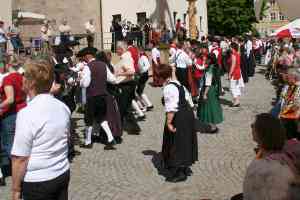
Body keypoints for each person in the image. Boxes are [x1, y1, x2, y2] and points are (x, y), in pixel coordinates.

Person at [11, 59, 70, 200]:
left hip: (38, 181)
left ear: (31, 83)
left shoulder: (26, 114)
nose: (22, 78)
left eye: (24, 75)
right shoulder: (62, 107)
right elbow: (66, 139)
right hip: (61, 171)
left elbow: (20, 158)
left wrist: (15, 189)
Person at [243, 113, 300, 200]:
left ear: (260, 134)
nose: (251, 127)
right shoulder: (293, 146)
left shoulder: (260, 168)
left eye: (253, 125)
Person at [158, 64, 198, 183]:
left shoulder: (168, 88)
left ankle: (180, 173)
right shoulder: (176, 83)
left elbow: (171, 108)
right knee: (185, 140)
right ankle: (185, 167)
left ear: (162, 77)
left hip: (179, 116)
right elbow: (174, 77)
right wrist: (172, 70)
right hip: (188, 113)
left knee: (178, 143)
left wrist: (169, 123)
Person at [77, 47, 117, 150]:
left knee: (88, 119)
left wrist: (80, 80)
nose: (84, 59)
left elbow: (85, 84)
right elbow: (113, 79)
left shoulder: (88, 67)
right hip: (103, 96)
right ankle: (111, 139)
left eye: (84, 57)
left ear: (88, 56)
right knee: (102, 118)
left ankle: (88, 142)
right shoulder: (103, 65)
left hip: (92, 97)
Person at [0, 55, 26, 187]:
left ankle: (22, 171)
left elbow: (10, 99)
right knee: (20, 141)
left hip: (11, 113)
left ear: (7, 64)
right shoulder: (22, 77)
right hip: (23, 110)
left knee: (8, 144)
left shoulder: (8, 78)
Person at [197, 51, 223, 131]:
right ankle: (212, 126)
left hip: (209, 90)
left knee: (209, 108)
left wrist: (205, 94)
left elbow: (208, 83)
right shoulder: (213, 66)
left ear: (210, 59)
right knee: (212, 107)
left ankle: (212, 127)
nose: (205, 58)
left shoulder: (209, 69)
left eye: (206, 58)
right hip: (213, 89)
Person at [229, 42, 244, 107]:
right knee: (237, 86)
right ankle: (237, 100)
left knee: (232, 87)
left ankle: (236, 101)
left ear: (232, 47)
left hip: (234, 72)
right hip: (238, 71)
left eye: (230, 47)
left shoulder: (233, 55)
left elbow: (233, 65)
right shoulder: (238, 54)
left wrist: (230, 73)